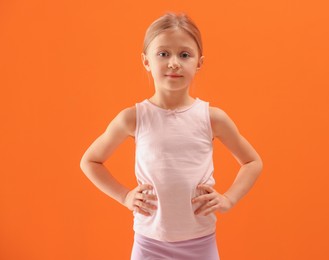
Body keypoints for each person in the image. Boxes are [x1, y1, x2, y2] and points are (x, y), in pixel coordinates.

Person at [80, 12, 263, 260]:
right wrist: (124, 196)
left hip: (201, 243)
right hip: (149, 244)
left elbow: (252, 162)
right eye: (163, 54)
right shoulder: (133, 117)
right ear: (146, 61)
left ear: (199, 62)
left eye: (184, 54)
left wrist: (229, 199)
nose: (174, 62)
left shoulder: (212, 117)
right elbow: (90, 161)